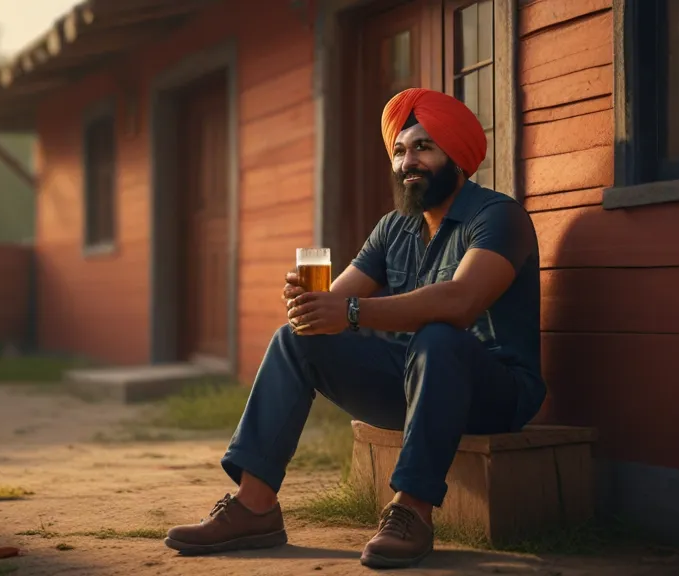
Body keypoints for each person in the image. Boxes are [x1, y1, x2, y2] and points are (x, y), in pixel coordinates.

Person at [164, 87, 545, 569]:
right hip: (412, 384)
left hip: (495, 391)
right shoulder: (394, 228)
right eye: (401, 150)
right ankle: (254, 506)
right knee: (295, 340)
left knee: (439, 334)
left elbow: (460, 301)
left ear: (458, 157)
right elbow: (336, 299)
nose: (410, 161)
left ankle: (411, 511)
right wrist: (310, 305)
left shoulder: (499, 216)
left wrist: (347, 312)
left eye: (424, 147)